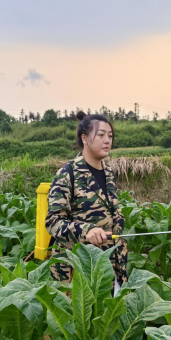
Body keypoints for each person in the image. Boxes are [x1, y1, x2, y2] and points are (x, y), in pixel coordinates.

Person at [46, 111, 128, 286]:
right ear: (84, 138)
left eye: (110, 136)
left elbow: (113, 208)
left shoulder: (108, 173)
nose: (107, 140)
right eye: (100, 135)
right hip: (76, 268)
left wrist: (119, 222)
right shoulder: (67, 174)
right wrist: (86, 231)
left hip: (109, 264)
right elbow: (53, 222)